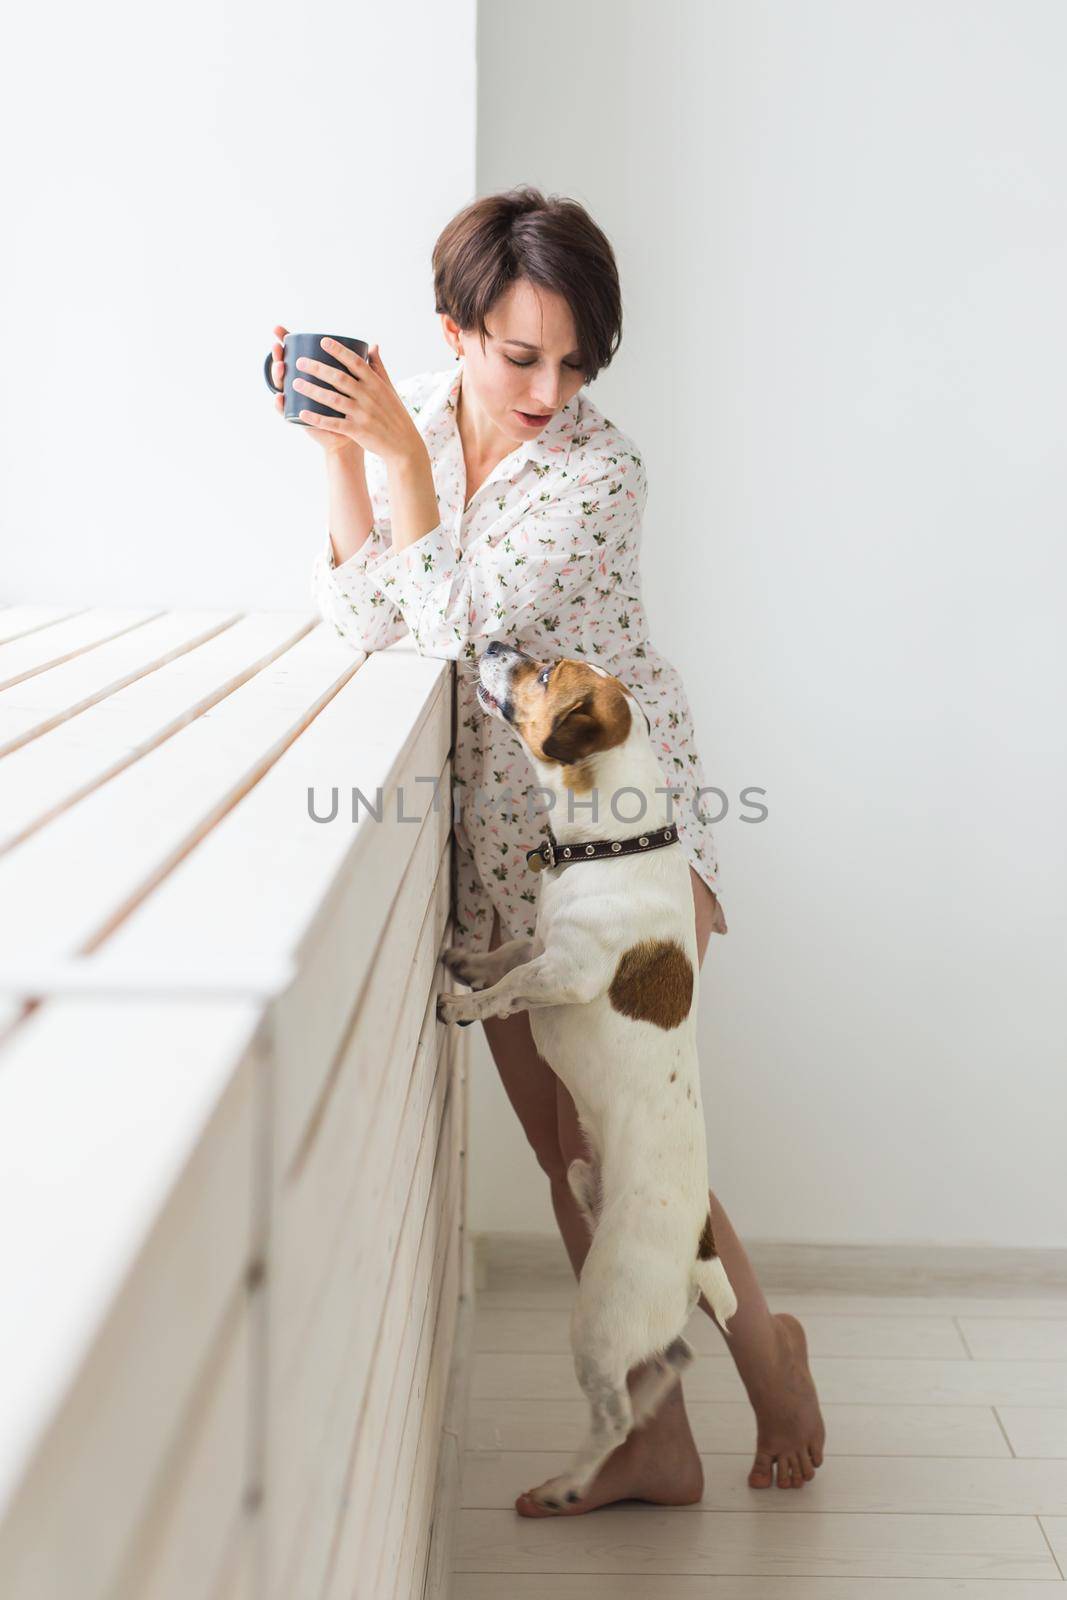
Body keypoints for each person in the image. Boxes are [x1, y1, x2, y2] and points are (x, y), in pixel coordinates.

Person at [270, 184, 825, 1511]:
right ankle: (676, 1413)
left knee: (624, 1148)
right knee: (587, 1156)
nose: (548, 386)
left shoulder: (598, 473)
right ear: (454, 328)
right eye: (521, 354)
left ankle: (740, 1365)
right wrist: (342, 452)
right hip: (497, 870)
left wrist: (404, 466)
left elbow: (464, 632)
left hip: (612, 849)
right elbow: (367, 627)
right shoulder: (414, 417)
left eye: (574, 361)